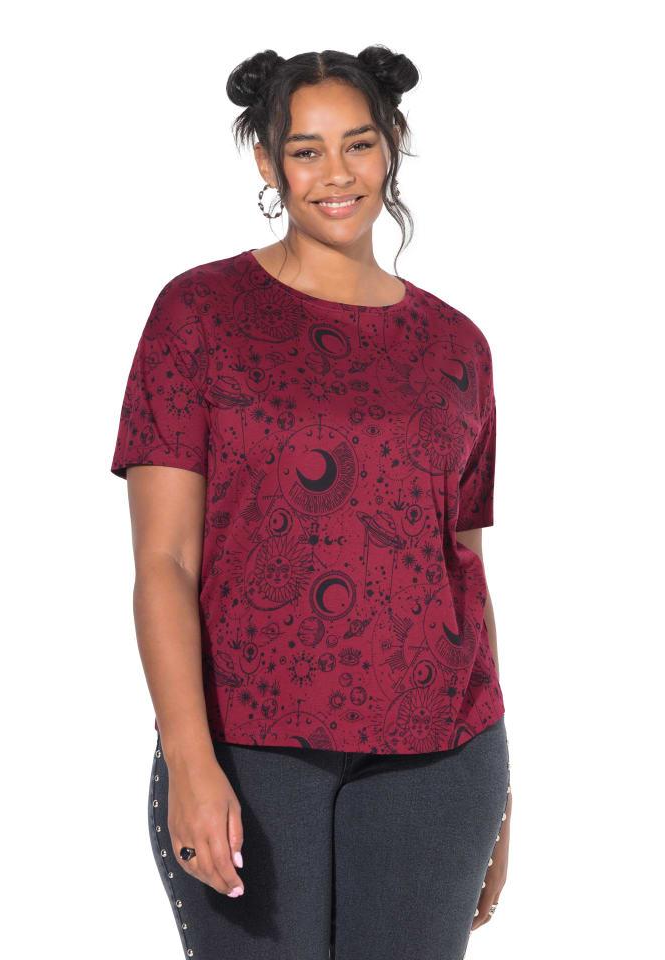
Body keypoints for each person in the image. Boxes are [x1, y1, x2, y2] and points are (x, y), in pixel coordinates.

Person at [110, 45, 513, 960]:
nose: (337, 174)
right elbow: (163, 561)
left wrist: (502, 789)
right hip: (251, 747)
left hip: (443, 759)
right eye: (305, 150)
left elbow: (463, 568)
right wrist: (189, 756)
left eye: (359, 144)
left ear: (393, 143)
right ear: (267, 160)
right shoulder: (199, 314)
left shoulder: (459, 347)